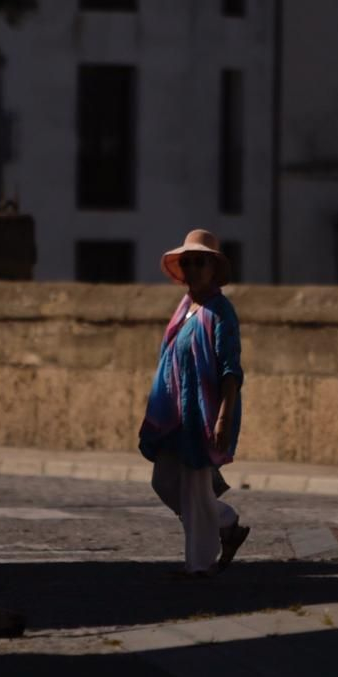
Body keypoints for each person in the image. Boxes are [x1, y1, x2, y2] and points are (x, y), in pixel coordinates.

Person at [138, 228, 249, 578]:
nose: (192, 268)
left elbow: (231, 369)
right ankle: (227, 522)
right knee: (165, 481)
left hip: (203, 412)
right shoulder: (185, 308)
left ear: (213, 268)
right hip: (176, 414)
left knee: (197, 490)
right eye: (187, 262)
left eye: (199, 261)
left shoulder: (220, 312)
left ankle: (199, 565)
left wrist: (222, 418)